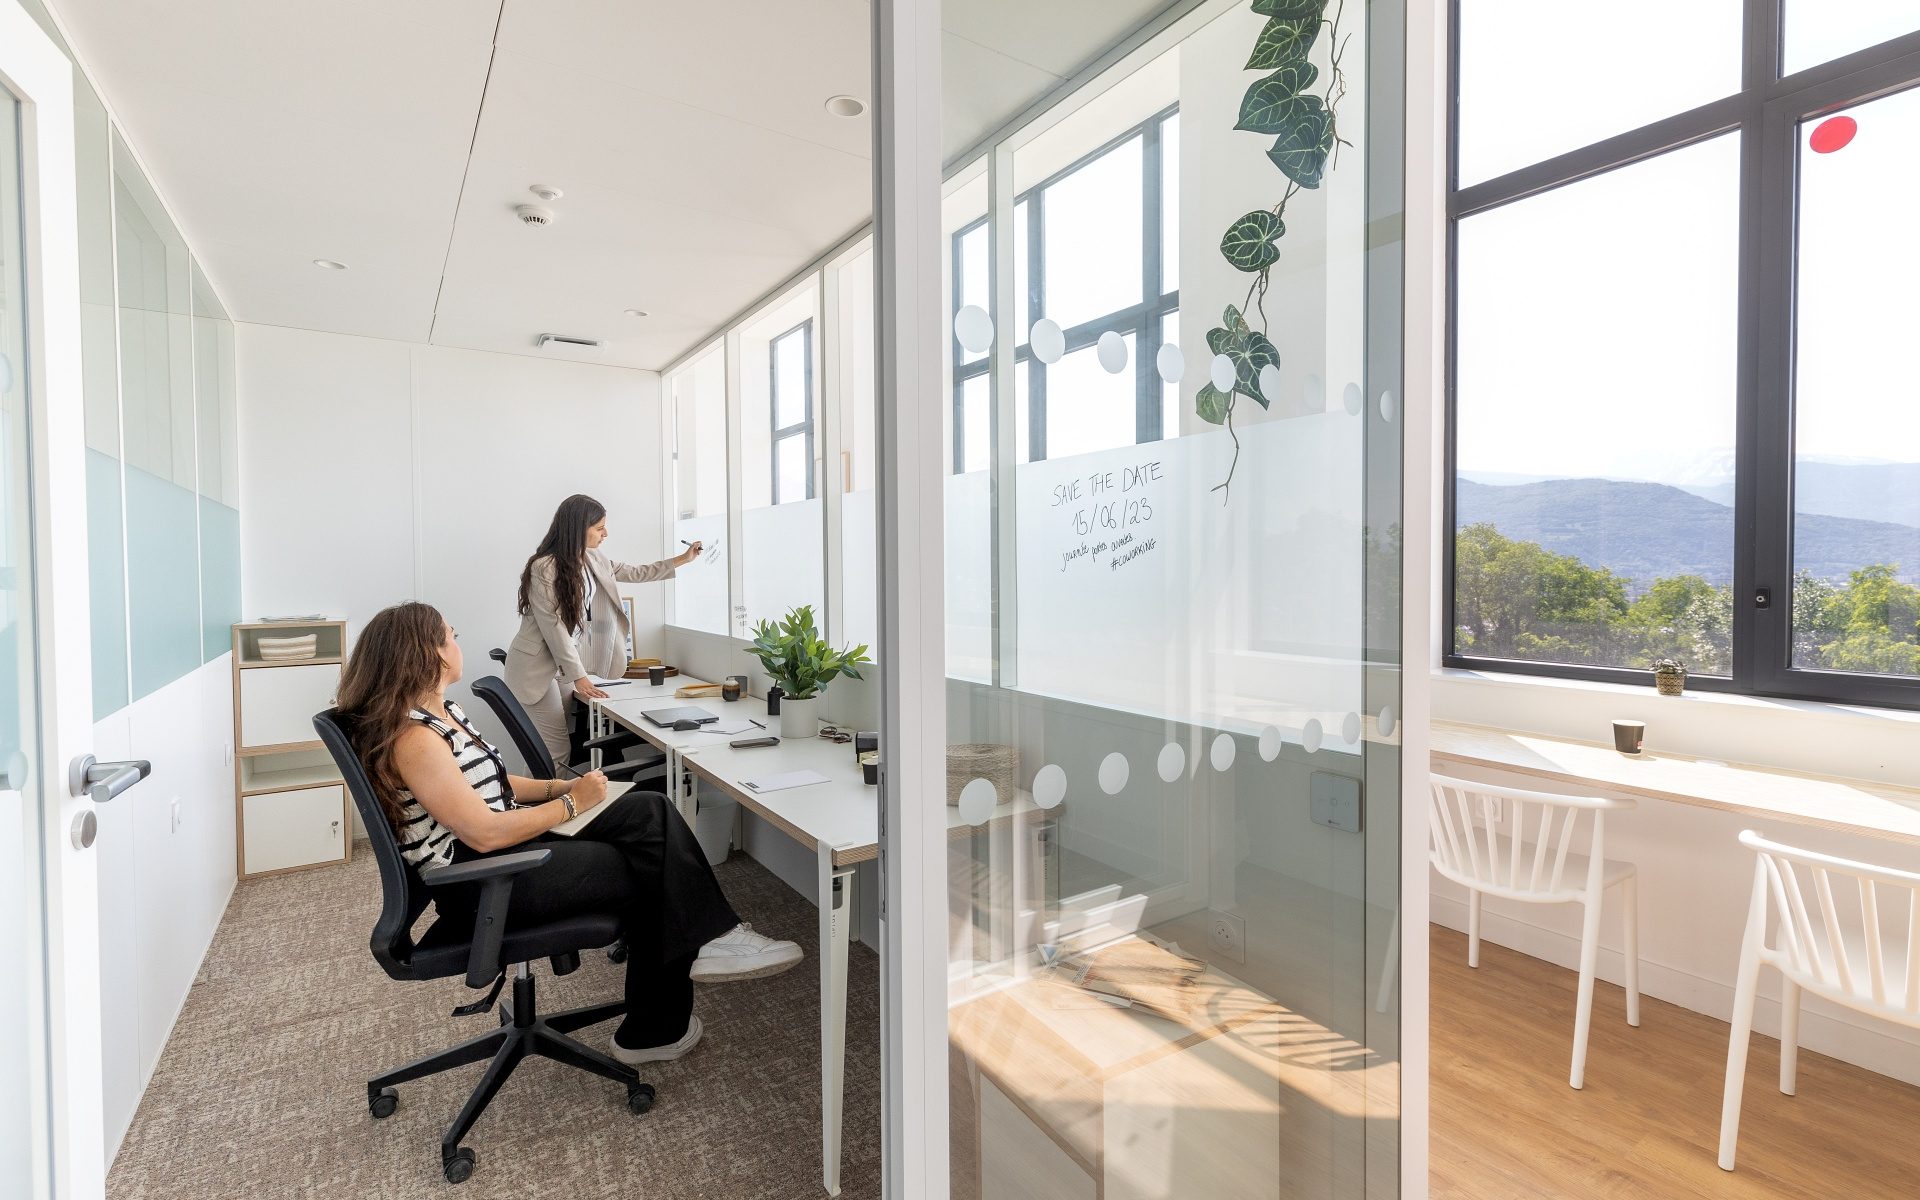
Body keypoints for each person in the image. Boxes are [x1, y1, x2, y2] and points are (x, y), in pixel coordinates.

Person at [337, 601, 800, 1063]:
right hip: (483, 878)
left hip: (501, 852)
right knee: (652, 866)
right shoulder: (414, 738)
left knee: (647, 810)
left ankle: (711, 941)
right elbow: (484, 834)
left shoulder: (441, 712)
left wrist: (562, 786)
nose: (458, 643)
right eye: (451, 635)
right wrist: (571, 804)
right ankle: (656, 1026)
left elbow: (491, 783)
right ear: (428, 652)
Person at [506, 494, 702, 764]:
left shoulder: (592, 559)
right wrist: (580, 676)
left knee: (548, 753)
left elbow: (634, 572)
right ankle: (550, 805)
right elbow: (554, 628)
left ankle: (537, 801)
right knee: (556, 751)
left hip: (561, 668)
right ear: (578, 528)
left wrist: (682, 559)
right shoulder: (544, 567)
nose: (605, 533)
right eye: (599, 528)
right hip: (536, 669)